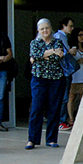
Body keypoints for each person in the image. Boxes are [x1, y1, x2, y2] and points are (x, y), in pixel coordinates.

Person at [26, 18, 65, 150]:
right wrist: (52, 52)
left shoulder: (57, 41)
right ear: (38, 30)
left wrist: (43, 56)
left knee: (54, 109)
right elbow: (34, 55)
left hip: (55, 79)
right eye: (42, 29)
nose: (45, 31)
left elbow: (56, 58)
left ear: (51, 28)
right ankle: (32, 140)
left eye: (47, 28)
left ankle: (52, 139)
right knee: (36, 108)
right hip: (39, 78)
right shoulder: (34, 42)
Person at [53, 17, 76, 131]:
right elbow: (59, 53)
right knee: (63, 96)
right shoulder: (59, 36)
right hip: (63, 71)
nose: (71, 28)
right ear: (64, 25)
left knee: (64, 96)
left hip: (64, 71)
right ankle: (60, 121)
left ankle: (62, 120)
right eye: (70, 26)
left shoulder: (63, 37)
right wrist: (69, 52)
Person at [67, 27, 83, 127]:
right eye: (79, 35)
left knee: (82, 98)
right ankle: (71, 118)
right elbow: (68, 61)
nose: (82, 37)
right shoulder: (72, 49)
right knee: (71, 97)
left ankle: (81, 117)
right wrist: (77, 61)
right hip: (74, 76)